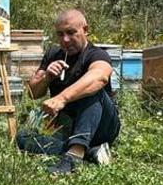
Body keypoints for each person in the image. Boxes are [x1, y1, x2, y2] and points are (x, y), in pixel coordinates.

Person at [19, 9, 121, 175]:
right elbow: (32, 93)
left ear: (85, 30)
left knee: (92, 90)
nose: (65, 40)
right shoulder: (53, 54)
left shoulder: (96, 54)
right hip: (68, 126)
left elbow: (100, 76)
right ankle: (90, 152)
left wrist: (62, 98)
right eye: (60, 34)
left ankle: (74, 156)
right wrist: (47, 77)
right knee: (23, 138)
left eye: (71, 33)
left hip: (102, 125)